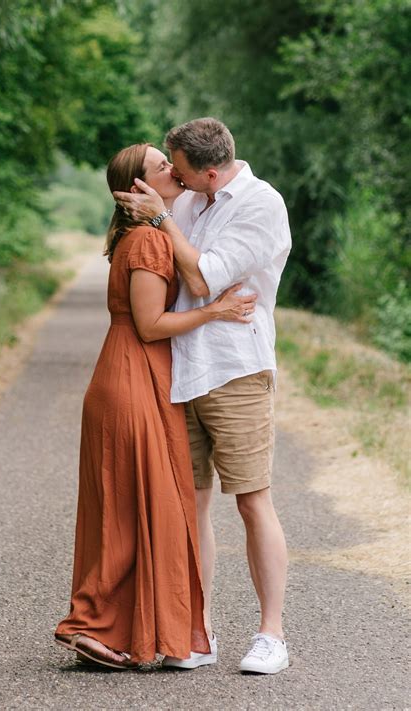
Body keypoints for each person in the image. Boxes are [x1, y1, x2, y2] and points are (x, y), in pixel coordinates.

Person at [54, 143, 257, 669]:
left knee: (131, 506)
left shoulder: (146, 235)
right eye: (160, 165)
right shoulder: (147, 241)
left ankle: (110, 629)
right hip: (132, 377)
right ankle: (91, 624)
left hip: (133, 375)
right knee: (131, 508)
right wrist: (215, 311)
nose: (172, 169)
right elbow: (149, 325)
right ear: (138, 190)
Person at [114, 118, 292, 674]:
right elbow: (162, 259)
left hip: (235, 370)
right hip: (180, 372)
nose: (176, 178)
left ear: (210, 172)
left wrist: (163, 218)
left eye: (182, 171)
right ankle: (199, 630)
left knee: (251, 499)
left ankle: (272, 636)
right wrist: (158, 214)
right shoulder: (191, 199)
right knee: (190, 506)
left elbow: (202, 279)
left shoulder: (260, 205)